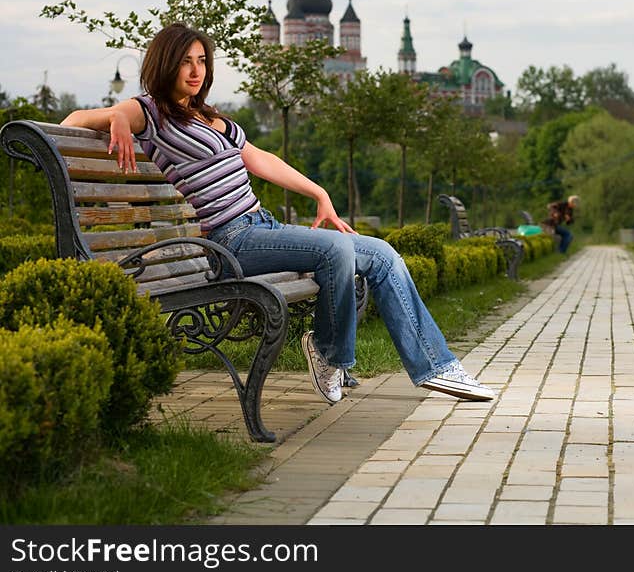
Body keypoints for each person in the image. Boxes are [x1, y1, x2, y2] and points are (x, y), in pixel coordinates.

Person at [61, 22, 494, 405]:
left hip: (261, 225)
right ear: (165, 63)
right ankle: (329, 354)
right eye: (186, 62)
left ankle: (438, 366)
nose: (197, 71)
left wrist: (319, 193)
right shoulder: (151, 111)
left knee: (381, 254)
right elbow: (76, 117)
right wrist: (117, 116)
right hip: (231, 241)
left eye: (202, 61)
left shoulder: (210, 116)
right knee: (335, 251)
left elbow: (261, 158)